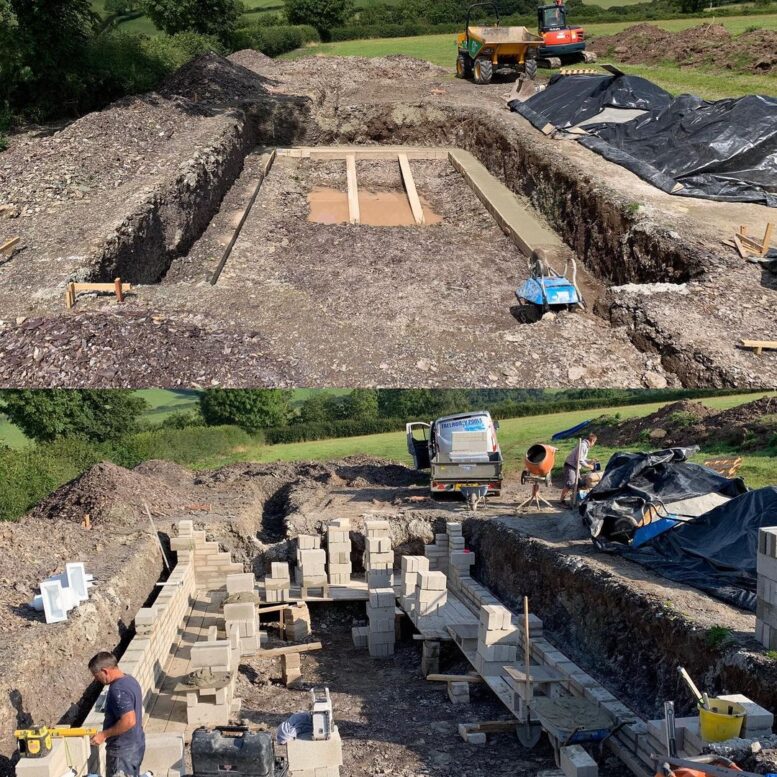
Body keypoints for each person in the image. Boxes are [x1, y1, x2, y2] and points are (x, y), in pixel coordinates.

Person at [88, 652, 145, 777]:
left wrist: (103, 734)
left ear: (105, 671)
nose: (96, 679)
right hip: (135, 745)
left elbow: (129, 720)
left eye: (96, 675)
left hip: (122, 752)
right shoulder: (129, 680)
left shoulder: (117, 690)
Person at [560, 433, 598, 506]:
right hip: (570, 466)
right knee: (570, 483)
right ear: (592, 441)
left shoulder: (585, 446)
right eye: (594, 442)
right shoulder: (583, 446)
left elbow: (582, 458)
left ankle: (575, 499)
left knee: (578, 483)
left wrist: (590, 460)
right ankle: (561, 501)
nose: (594, 444)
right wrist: (588, 466)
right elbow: (579, 459)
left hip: (575, 466)